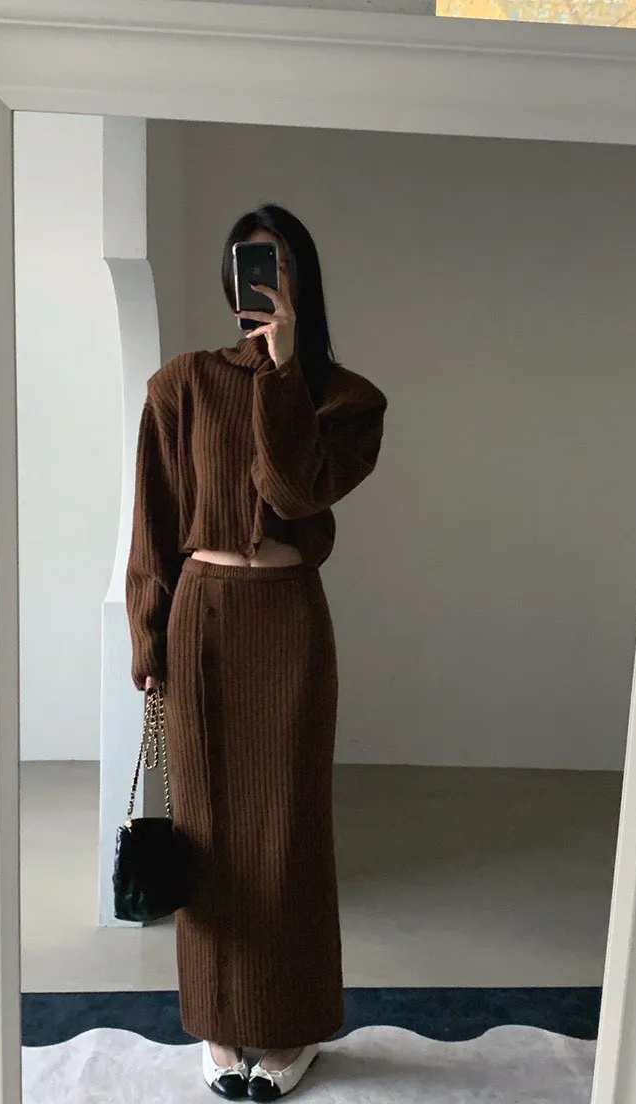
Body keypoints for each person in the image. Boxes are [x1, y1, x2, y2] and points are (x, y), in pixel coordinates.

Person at [126, 204, 388, 1100]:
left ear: (301, 280)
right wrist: (147, 630)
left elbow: (291, 489)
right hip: (201, 619)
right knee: (206, 830)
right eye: (249, 264)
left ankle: (288, 1025)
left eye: (277, 265)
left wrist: (283, 373)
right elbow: (154, 516)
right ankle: (219, 1021)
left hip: (288, 622)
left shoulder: (344, 400)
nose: (263, 282)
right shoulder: (183, 383)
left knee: (288, 831)